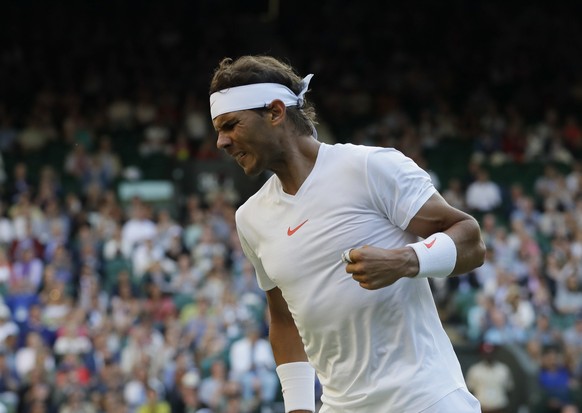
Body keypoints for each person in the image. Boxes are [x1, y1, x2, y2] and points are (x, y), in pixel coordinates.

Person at [208, 55, 486, 413]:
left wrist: (405, 261)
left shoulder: (370, 167)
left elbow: (471, 239)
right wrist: (299, 409)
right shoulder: (250, 218)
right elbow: (283, 317)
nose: (221, 142)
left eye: (231, 125)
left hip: (428, 399)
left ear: (275, 113)